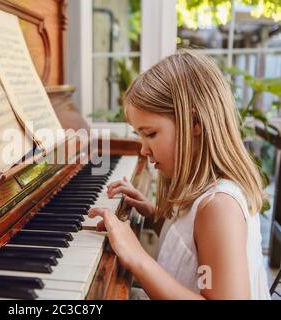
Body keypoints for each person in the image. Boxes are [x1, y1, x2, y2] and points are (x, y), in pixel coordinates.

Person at [89, 49, 271, 300]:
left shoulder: (219, 207)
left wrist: (138, 258)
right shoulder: (202, 193)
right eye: (139, 136)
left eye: (150, 134)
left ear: (195, 123)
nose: (143, 149)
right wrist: (152, 213)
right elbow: (190, 245)